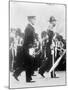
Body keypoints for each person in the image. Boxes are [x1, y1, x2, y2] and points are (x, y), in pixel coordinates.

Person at [22, 16, 36, 82]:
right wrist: (30, 46)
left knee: (31, 62)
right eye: (34, 19)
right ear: (30, 19)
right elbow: (25, 39)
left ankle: (29, 78)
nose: (35, 21)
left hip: (30, 47)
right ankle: (28, 79)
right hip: (28, 48)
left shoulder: (31, 27)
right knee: (28, 63)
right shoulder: (28, 28)